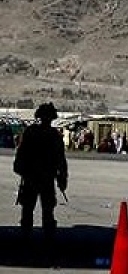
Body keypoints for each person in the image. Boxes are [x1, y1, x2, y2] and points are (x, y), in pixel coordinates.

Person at [13, 102, 69, 242]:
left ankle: (27, 234)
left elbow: (21, 153)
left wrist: (20, 168)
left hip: (33, 176)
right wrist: (62, 177)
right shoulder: (54, 135)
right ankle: (46, 236)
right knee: (46, 209)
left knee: (29, 208)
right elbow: (61, 160)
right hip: (45, 177)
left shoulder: (31, 132)